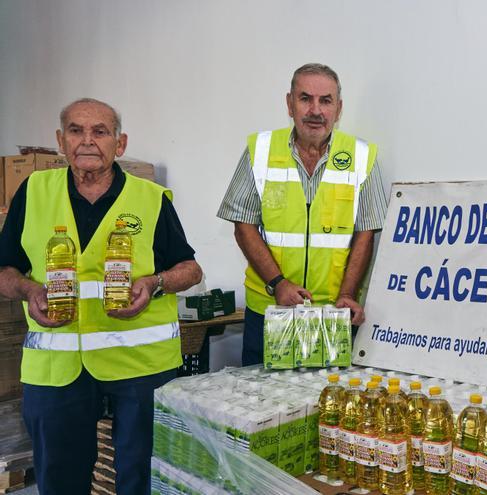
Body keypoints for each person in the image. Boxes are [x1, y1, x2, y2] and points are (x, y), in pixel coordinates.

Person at [0, 98, 203, 495]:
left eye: (100, 131)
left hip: (139, 367)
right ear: (61, 140)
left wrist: (155, 283)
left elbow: (191, 270)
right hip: (57, 369)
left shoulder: (151, 198)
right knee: (59, 479)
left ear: (120, 143)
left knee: (141, 477)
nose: (87, 141)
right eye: (76, 130)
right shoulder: (34, 192)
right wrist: (28, 289)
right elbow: (4, 271)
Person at [218, 63, 387, 366]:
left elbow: (366, 233)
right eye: (305, 98)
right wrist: (278, 284)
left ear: (339, 109)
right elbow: (243, 225)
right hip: (270, 310)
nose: (315, 110)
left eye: (326, 100)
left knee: (325, 406)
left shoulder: (362, 156)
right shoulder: (260, 150)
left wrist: (348, 295)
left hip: (332, 315)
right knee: (262, 405)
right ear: (289, 103)